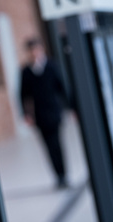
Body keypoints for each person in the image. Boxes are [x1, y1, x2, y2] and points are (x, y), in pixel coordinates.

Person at [20, 38, 68, 189]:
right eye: (31, 50)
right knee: (48, 146)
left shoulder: (51, 66)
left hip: (54, 112)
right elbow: (22, 94)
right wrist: (26, 114)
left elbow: (62, 87)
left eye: (37, 49)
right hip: (39, 116)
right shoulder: (26, 71)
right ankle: (58, 176)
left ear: (41, 50)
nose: (34, 53)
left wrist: (70, 107)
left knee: (57, 144)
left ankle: (63, 174)